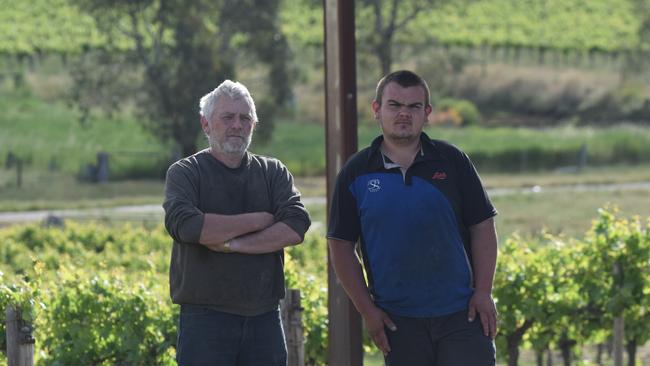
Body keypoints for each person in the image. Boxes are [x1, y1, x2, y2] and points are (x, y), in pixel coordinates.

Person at [327, 70, 498, 365]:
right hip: (397, 322)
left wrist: (483, 292)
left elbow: (483, 226)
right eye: (394, 105)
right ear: (377, 110)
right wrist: (367, 310)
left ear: (427, 113)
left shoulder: (452, 161)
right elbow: (341, 246)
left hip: (462, 315)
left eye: (413, 107)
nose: (404, 114)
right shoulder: (356, 173)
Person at [163, 80, 311, 365]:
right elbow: (187, 226)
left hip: (264, 318)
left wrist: (233, 244)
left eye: (245, 118)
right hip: (204, 321)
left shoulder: (273, 172)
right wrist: (259, 219)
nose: (237, 125)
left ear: (253, 126)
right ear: (206, 125)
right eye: (227, 117)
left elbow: (296, 224)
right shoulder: (185, 173)